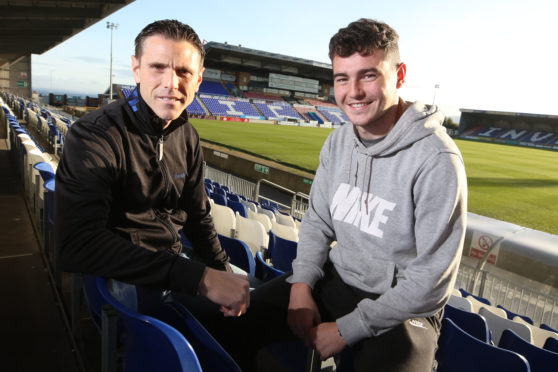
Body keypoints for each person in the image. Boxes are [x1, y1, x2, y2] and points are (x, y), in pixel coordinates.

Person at [234, 18, 467, 372]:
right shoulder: (338, 142)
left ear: (399, 75)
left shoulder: (437, 158)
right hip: (339, 279)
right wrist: (301, 285)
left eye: (368, 75)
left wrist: (348, 329)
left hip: (404, 308)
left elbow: (431, 281)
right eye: (342, 78)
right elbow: (316, 222)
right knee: (230, 323)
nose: (353, 91)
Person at [54, 19, 250, 318]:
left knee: (259, 294)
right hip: (127, 284)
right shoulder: (94, 135)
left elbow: (198, 217)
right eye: (158, 67)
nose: (171, 83)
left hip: (173, 266)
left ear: (199, 79)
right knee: (264, 315)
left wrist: (221, 269)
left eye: (184, 71)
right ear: (136, 69)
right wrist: (200, 278)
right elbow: (78, 245)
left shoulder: (187, 136)